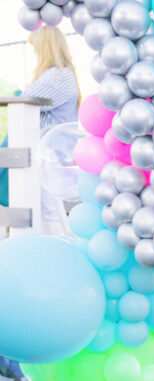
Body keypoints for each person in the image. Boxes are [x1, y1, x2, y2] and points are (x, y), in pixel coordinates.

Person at [23, 26, 80, 234]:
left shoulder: (56, 76)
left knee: (50, 211)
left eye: (37, 48)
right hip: (57, 152)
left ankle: (59, 252)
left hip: (53, 153)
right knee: (50, 209)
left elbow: (27, 98)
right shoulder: (62, 74)